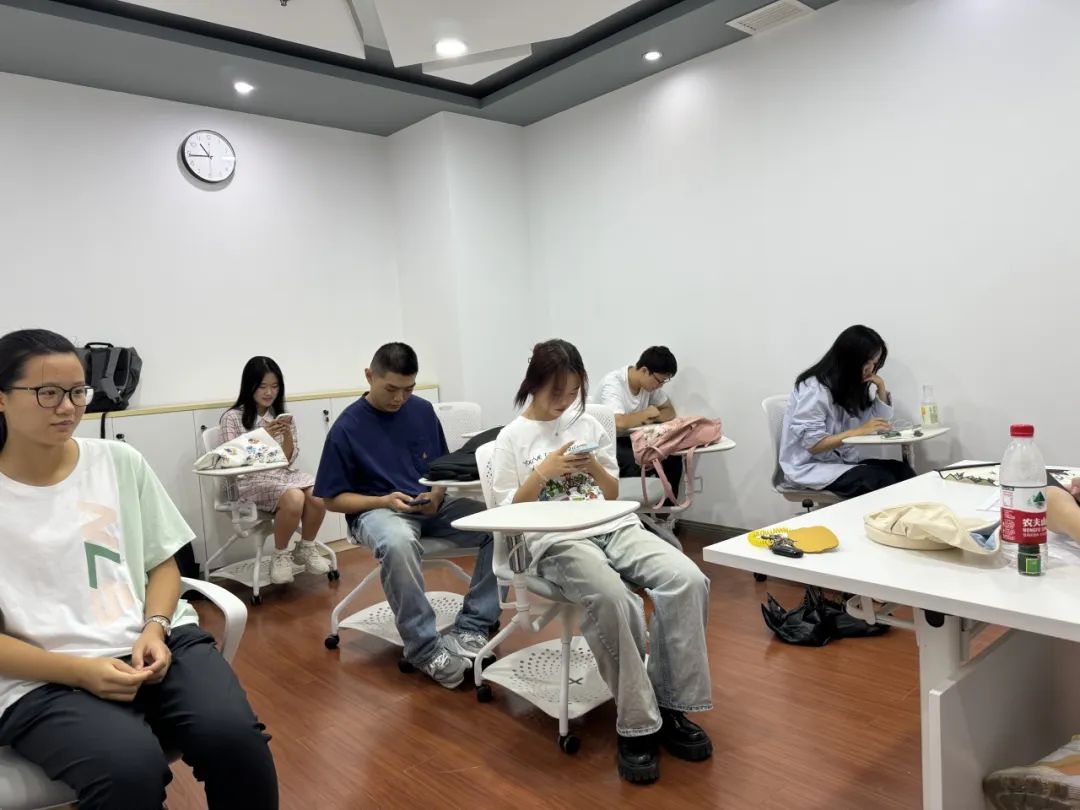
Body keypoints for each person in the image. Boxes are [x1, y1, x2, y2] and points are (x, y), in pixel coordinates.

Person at [0, 329, 277, 809]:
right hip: (42, 676)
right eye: (47, 393)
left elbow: (162, 562)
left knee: (235, 741)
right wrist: (80, 672)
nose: (68, 407)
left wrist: (156, 627)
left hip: (154, 641)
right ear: (1, 398)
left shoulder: (118, 461)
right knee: (128, 772)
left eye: (78, 391)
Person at [492, 339, 712, 785]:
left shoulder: (589, 422)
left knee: (688, 578)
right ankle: (637, 723)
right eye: (556, 392)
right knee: (615, 598)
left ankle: (671, 705)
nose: (565, 401)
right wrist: (542, 473)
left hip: (614, 525)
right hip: (557, 540)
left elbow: (610, 493)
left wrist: (592, 467)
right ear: (533, 384)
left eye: (573, 392)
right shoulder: (511, 438)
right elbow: (507, 514)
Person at [314, 342, 499, 689]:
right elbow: (332, 500)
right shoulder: (347, 428)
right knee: (398, 542)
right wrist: (384, 500)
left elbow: (440, 469)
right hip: (377, 510)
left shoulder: (422, 411)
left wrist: (437, 494)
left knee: (500, 525)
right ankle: (424, 649)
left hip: (429, 505)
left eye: (409, 389)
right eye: (391, 389)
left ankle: (474, 626)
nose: (399, 398)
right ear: (369, 376)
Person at [220, 356, 329, 585]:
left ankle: (306, 547)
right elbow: (232, 459)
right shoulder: (232, 417)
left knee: (319, 494)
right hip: (249, 481)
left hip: (281, 475)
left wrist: (286, 434)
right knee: (294, 497)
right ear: (249, 386)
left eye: (275, 386)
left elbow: (287, 461)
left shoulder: (280, 417)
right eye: (262, 386)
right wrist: (263, 436)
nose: (269, 392)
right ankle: (280, 555)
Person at [780, 325, 915, 497]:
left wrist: (880, 387)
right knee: (881, 479)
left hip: (838, 462)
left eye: (875, 363)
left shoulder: (845, 387)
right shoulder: (814, 388)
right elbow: (814, 445)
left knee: (903, 472)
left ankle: (914, 513)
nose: (871, 369)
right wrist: (857, 431)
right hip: (809, 467)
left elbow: (879, 423)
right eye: (869, 362)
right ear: (851, 359)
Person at [594, 346, 683, 499]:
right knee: (637, 460)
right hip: (608, 442)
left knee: (672, 456)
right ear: (644, 370)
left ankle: (665, 509)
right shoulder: (613, 384)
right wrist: (646, 414)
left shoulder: (649, 387)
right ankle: (635, 509)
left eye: (663, 382)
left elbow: (669, 411)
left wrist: (651, 417)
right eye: (659, 381)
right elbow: (618, 422)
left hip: (633, 439)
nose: (659, 386)